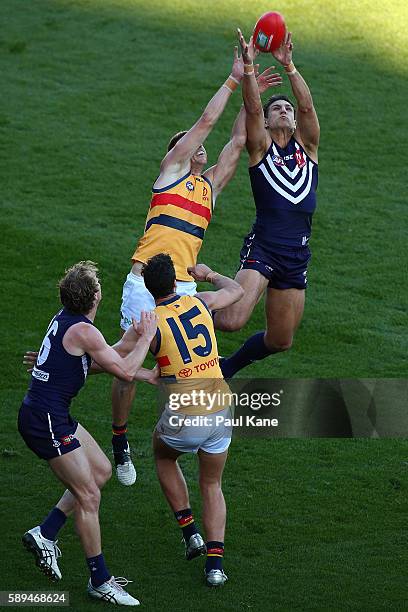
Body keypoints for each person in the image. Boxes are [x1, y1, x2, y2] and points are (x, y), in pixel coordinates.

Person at [111, 49, 282, 485]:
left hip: (183, 288)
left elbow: (239, 141)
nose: (197, 141)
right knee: (129, 361)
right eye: (186, 139)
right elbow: (206, 123)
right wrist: (231, 79)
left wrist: (250, 95)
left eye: (195, 140)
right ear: (177, 152)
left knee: (182, 366)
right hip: (143, 284)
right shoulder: (168, 173)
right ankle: (119, 438)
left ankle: (187, 437)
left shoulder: (207, 189)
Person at [18, 261, 158, 606]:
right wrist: (146, 340)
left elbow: (94, 361)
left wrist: (142, 367)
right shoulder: (85, 331)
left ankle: (45, 533)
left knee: (101, 471)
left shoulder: (70, 321)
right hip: (44, 421)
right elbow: (121, 370)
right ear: (95, 297)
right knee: (88, 496)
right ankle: (101, 580)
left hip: (52, 414)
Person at [216, 30, 320, 377]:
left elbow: (306, 105)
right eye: (277, 108)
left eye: (287, 108)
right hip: (265, 248)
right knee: (230, 320)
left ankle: (225, 368)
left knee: (280, 340)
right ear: (266, 120)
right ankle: (177, 315)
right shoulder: (261, 150)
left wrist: (290, 67)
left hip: (296, 255)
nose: (286, 111)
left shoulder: (308, 150)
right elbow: (253, 108)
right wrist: (248, 71)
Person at [141, 253, 243, 586]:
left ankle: (190, 532)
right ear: (175, 281)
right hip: (220, 408)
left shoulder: (150, 323)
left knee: (162, 454)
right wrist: (209, 273)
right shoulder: (201, 302)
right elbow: (237, 291)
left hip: (185, 416)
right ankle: (215, 567)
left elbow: (113, 361)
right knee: (212, 484)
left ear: (147, 286)